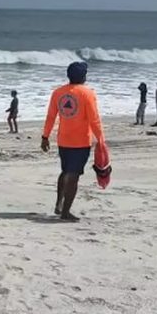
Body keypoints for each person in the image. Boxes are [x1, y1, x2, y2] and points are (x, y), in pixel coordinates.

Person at [41, 62, 105, 222]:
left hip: (63, 140)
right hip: (81, 142)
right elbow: (94, 119)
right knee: (73, 175)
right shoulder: (87, 93)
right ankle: (65, 212)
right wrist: (101, 139)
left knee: (65, 171)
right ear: (84, 76)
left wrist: (45, 136)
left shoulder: (58, 92)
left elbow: (51, 116)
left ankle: (59, 204)